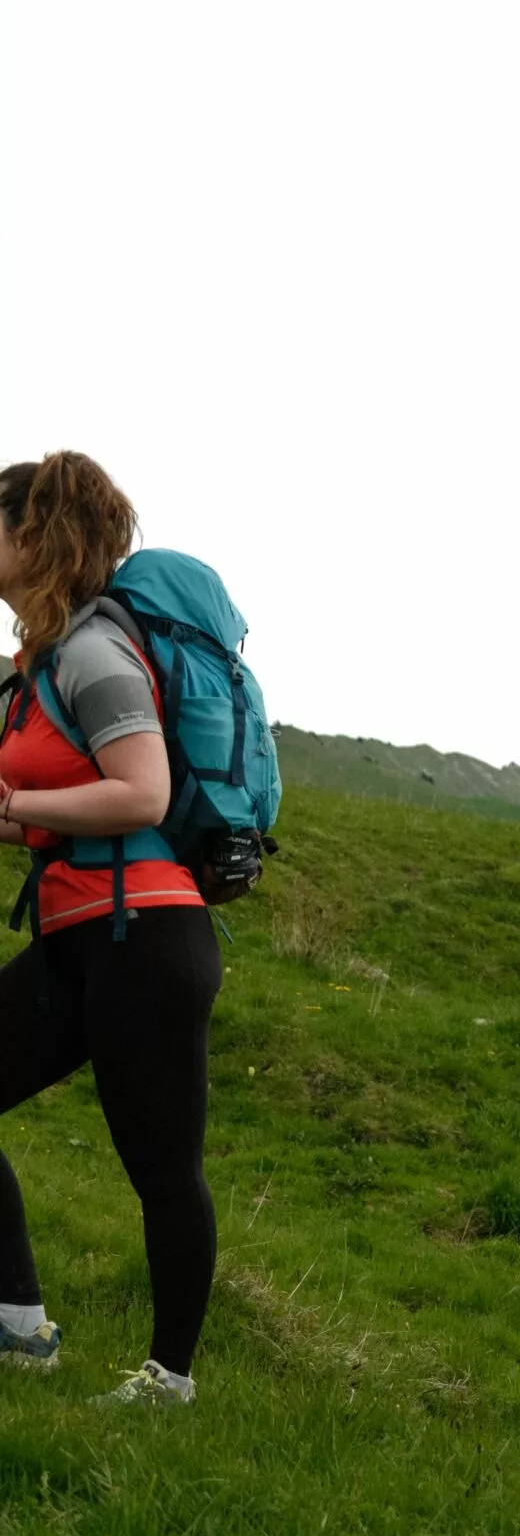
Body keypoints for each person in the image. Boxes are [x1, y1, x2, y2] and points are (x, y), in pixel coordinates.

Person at [0, 452, 224, 1403]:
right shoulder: (45, 661)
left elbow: (143, 792)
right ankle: (18, 1325)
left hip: (148, 940)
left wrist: (13, 802)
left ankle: (170, 1379)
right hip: (77, 935)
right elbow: (43, 812)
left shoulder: (95, 652)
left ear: (32, 536)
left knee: (162, 1170)